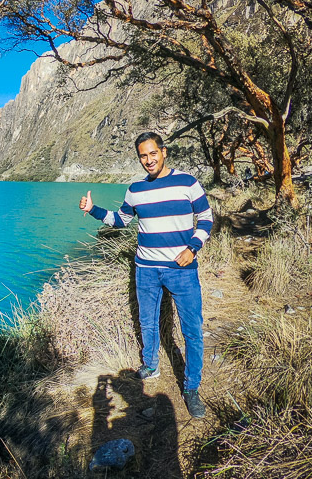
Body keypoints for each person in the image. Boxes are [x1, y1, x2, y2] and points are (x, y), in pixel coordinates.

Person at [79, 132, 213, 418]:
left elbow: (206, 217)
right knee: (147, 321)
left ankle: (191, 387)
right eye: (143, 156)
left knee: (192, 330)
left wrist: (193, 247)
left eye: (153, 153)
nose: (149, 160)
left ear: (163, 152)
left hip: (182, 269)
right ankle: (150, 365)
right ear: (139, 158)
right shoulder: (135, 189)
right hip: (146, 269)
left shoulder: (187, 182)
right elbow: (121, 220)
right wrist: (93, 210)